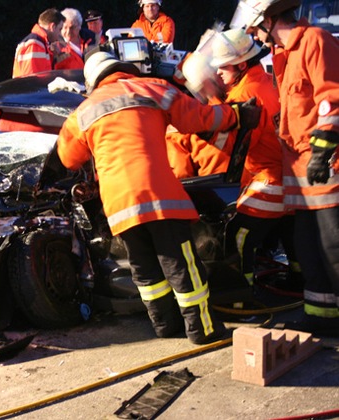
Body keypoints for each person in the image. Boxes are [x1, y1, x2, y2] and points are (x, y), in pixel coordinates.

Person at [54, 51, 261, 344]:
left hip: (119, 206)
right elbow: (200, 118)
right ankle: (203, 329)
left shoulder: (83, 112)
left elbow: (67, 158)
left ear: (93, 82)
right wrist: (238, 114)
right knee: (181, 265)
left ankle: (165, 326)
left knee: (146, 272)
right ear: (124, 68)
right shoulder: (152, 88)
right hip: (160, 196)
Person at [230, 0, 339, 335]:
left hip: (325, 170)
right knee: (309, 251)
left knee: (333, 250)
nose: (256, 37)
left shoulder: (315, 41)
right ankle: (322, 318)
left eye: (256, 29)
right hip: (300, 177)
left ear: (269, 18)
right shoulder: (284, 56)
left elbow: (331, 99)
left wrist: (323, 151)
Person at [209, 28, 288, 287]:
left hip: (271, 178)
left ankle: (240, 295)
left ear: (241, 64)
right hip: (285, 174)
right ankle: (298, 279)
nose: (218, 72)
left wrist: (208, 113)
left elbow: (232, 146)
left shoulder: (245, 96)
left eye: (224, 67)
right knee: (290, 234)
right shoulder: (262, 81)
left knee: (237, 234)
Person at [12, 8, 65, 78]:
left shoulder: (38, 43)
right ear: (53, 26)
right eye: (60, 29)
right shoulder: (35, 44)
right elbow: (32, 79)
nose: (60, 34)